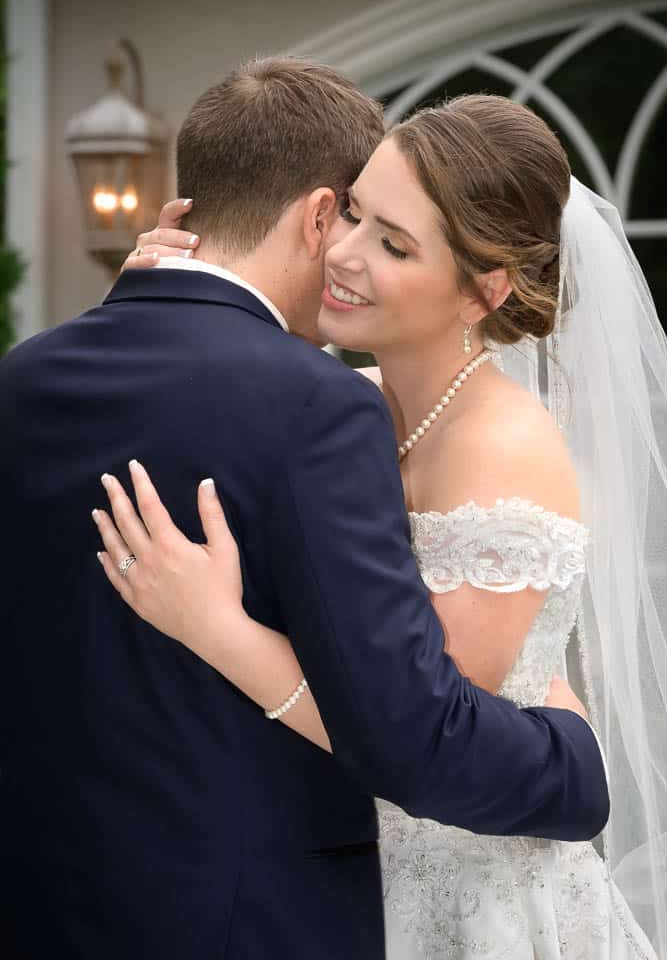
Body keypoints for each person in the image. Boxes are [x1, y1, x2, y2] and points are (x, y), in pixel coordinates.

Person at [0, 60, 609, 960]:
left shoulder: (26, 379)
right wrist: (572, 765)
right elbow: (408, 732)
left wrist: (220, 626)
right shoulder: (325, 403)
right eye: (356, 217)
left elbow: (417, 729)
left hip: (442, 890)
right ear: (322, 211)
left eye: (395, 242)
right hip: (270, 903)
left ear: (485, 289)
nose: (352, 255)